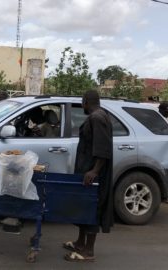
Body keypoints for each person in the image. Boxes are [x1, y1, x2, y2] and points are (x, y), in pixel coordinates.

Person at [63, 90, 113, 262]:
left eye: (82, 102)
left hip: (93, 173)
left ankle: (88, 251)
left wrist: (94, 171)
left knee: (91, 207)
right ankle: (80, 242)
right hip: (87, 170)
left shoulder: (97, 118)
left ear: (85, 101)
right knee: (84, 206)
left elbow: (103, 148)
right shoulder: (98, 116)